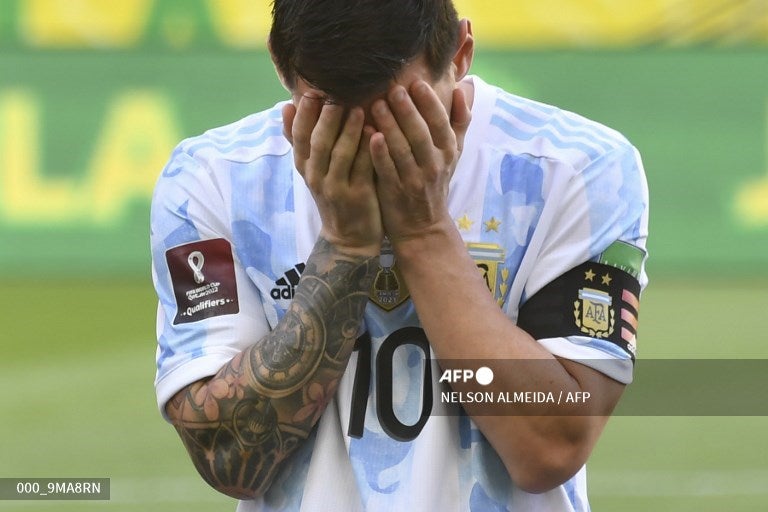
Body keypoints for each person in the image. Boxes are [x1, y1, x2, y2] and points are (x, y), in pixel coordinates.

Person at [150, 1, 649, 510]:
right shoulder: (213, 178)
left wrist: (424, 229)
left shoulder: (577, 169)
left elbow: (548, 447)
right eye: (332, 113)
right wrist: (345, 247)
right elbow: (229, 457)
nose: (372, 145)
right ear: (281, 66)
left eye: (400, 110)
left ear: (460, 53)